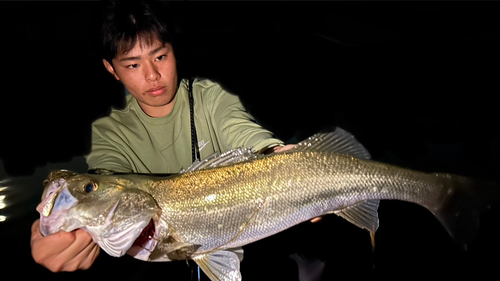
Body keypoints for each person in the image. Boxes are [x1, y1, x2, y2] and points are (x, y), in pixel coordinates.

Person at [30, 0, 301, 274]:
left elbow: (247, 134)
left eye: (160, 57)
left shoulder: (211, 100)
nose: (152, 75)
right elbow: (107, 180)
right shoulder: (109, 133)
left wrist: (278, 155)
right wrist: (62, 233)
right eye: (133, 65)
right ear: (111, 69)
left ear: (174, 50)